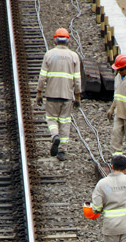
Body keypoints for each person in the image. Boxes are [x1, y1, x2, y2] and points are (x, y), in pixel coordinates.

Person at [36, 28, 81, 161]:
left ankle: (55, 135)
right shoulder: (74, 56)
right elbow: (77, 79)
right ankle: (62, 151)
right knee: (65, 122)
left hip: (51, 95)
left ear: (55, 40)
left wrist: (39, 93)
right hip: (67, 96)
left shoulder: (49, 55)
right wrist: (77, 97)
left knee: (51, 119)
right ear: (68, 41)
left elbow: (42, 77)